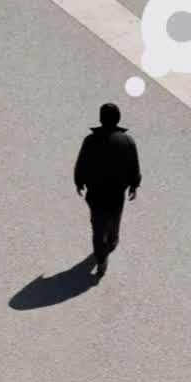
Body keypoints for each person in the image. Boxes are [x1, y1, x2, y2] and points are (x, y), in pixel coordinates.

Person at [73, 103, 141, 276]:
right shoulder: (127, 141)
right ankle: (112, 240)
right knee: (115, 217)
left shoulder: (90, 140)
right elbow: (134, 165)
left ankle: (102, 258)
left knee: (97, 227)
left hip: (96, 193)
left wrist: (79, 182)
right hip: (117, 193)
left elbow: (82, 163)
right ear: (118, 119)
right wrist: (134, 185)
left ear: (100, 119)